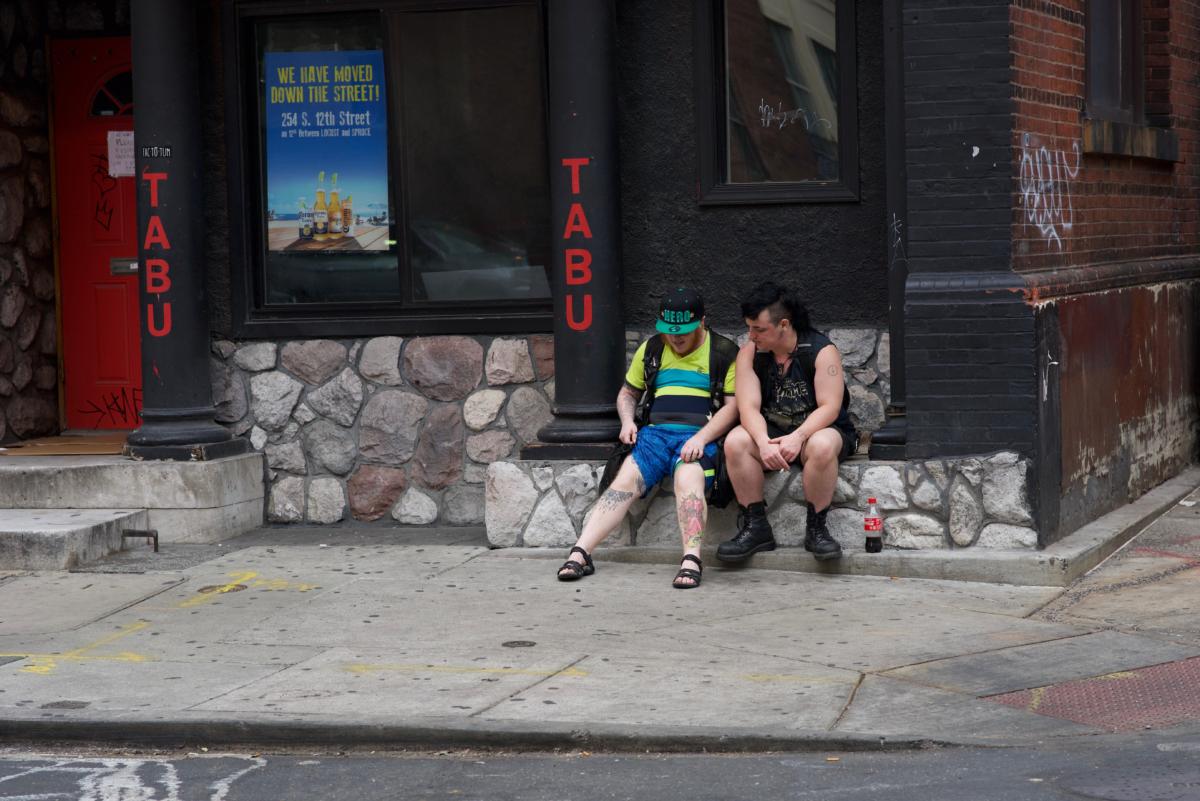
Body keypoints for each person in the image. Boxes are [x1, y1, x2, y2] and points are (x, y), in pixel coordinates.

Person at [557, 287, 739, 589]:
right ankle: (581, 552)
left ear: (702, 322)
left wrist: (701, 438)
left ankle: (691, 559)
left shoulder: (723, 352)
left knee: (689, 479)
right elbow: (629, 393)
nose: (676, 338)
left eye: (683, 331)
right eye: (670, 331)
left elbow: (732, 409)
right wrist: (627, 421)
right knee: (625, 480)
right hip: (653, 435)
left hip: (698, 435)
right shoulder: (652, 348)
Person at [716, 281, 857, 562]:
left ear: (783, 323)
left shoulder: (821, 350)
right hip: (773, 431)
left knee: (821, 445)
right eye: (749, 327)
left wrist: (799, 436)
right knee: (735, 441)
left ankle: (817, 529)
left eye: (759, 329)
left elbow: (830, 407)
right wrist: (762, 443)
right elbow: (748, 407)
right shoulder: (750, 354)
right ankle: (756, 527)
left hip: (817, 430)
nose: (752, 335)